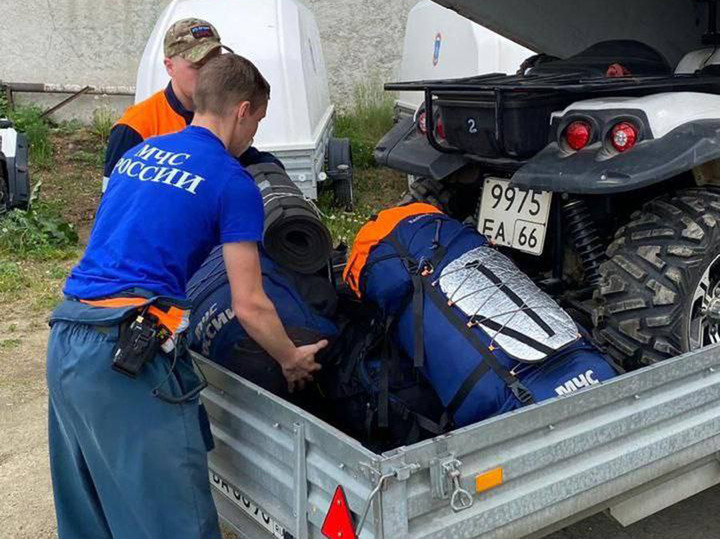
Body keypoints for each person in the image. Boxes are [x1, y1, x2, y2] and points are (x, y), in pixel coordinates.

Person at [47, 54, 326, 539]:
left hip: (67, 337)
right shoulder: (232, 180)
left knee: (92, 519)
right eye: (257, 121)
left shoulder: (139, 154)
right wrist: (290, 359)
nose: (254, 136)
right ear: (242, 110)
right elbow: (251, 305)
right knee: (177, 524)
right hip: (126, 356)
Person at [103, 17, 281, 191]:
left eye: (215, 63)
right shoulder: (134, 127)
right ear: (169, 66)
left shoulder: (223, 112)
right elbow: (113, 201)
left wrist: (273, 170)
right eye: (199, 65)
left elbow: (243, 158)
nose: (209, 73)